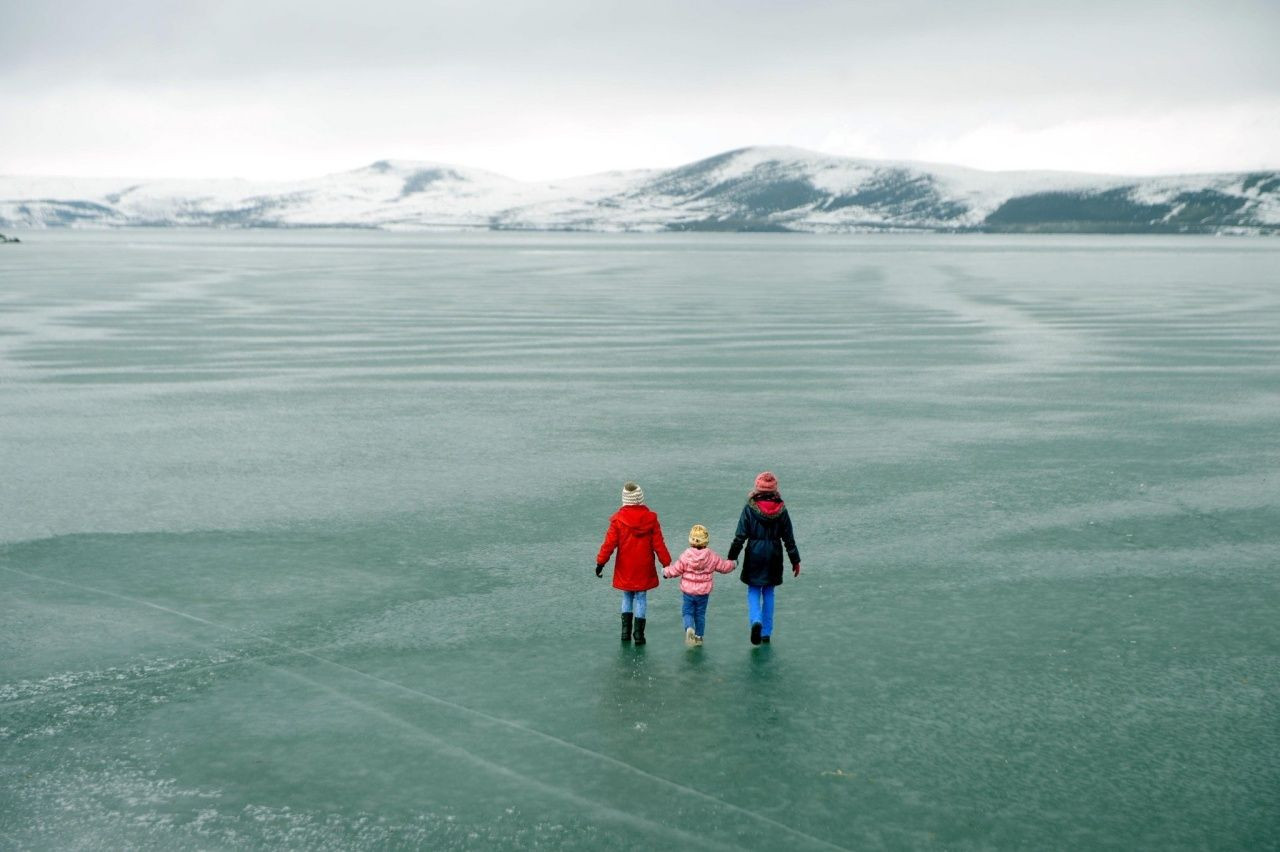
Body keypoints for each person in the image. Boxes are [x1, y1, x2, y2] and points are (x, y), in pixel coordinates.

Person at [727, 471, 801, 645]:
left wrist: (732, 557)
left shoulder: (749, 508)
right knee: (769, 592)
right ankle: (766, 632)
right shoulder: (781, 509)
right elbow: (789, 538)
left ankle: (756, 621)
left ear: (757, 488)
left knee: (753, 590)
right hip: (774, 553)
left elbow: (740, 536)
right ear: (775, 489)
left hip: (754, 553)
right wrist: (795, 560)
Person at [596, 481, 672, 645]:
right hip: (644, 566)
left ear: (624, 499)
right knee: (641, 597)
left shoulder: (618, 520)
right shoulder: (651, 519)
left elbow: (609, 544)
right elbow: (659, 544)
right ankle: (639, 634)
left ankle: (625, 632)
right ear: (640, 498)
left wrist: (600, 562)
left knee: (627, 596)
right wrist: (666, 564)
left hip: (625, 566)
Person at [662, 524, 736, 646]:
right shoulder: (711, 556)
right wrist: (733, 564)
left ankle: (689, 628)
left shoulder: (686, 555)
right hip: (703, 593)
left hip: (688, 592)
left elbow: (675, 570)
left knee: (687, 613)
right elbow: (724, 567)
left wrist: (665, 572)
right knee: (700, 615)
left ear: (691, 539)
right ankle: (699, 637)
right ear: (706, 541)